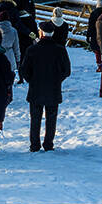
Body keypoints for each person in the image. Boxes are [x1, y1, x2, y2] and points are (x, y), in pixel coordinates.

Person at [22, 20, 72, 151]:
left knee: (35, 118)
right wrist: (57, 80)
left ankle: (34, 144)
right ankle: (48, 143)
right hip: (53, 88)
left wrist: (31, 80)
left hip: (36, 88)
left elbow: (24, 70)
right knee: (51, 118)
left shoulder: (32, 49)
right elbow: (66, 70)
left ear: (41, 32)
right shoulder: (60, 49)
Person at [0, 9, 22, 81]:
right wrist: (18, 59)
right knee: (9, 79)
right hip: (10, 55)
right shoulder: (13, 30)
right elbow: (16, 47)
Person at [87, 0, 102, 72]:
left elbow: (90, 26)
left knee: (97, 52)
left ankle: (99, 66)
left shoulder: (94, 13)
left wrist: (88, 35)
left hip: (95, 35)